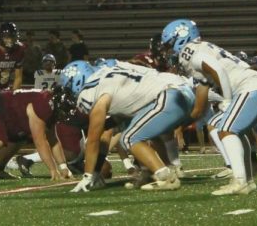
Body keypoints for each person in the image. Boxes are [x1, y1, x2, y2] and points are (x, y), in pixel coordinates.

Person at [163, 19, 257, 196]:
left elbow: (217, 69)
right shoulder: (201, 48)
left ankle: (239, 181)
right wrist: (180, 125)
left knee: (226, 130)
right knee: (234, 130)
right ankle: (247, 179)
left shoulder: (189, 50)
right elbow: (199, 106)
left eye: (170, 45)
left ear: (180, 38)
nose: (170, 52)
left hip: (251, 86)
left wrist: (226, 99)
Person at [65, 59, 194, 192]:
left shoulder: (92, 92)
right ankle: (154, 172)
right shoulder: (113, 75)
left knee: (129, 138)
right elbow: (107, 130)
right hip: (180, 91)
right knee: (144, 132)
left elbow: (93, 140)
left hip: (171, 95)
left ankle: (165, 176)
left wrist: (88, 176)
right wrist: (96, 172)